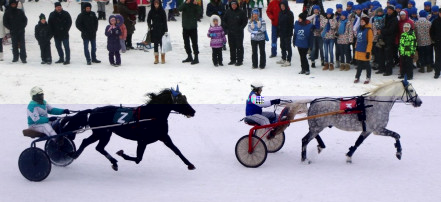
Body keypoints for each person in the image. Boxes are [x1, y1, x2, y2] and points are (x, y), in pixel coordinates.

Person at [223, 0, 247, 66]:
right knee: (232, 46)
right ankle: (232, 59)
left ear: (237, 5)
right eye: (232, 4)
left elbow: (245, 21)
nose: (233, 6)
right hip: (230, 32)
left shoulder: (241, 11)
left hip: (239, 32)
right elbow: (224, 20)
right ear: (230, 5)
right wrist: (227, 27)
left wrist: (241, 28)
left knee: (239, 46)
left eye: (235, 4)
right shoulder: (228, 11)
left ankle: (240, 60)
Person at [179, 0, 201, 64]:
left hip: (193, 27)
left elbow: (200, 12)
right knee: (186, 43)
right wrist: (185, 3)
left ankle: (196, 57)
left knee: (194, 43)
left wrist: (196, 4)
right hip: (185, 27)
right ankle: (189, 56)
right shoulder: (185, 3)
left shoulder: (195, 4)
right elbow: (179, 9)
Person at [147, 0, 168, 64]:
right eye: (155, 4)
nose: (156, 5)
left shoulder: (162, 11)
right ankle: (156, 58)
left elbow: (165, 21)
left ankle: (163, 57)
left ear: (159, 4)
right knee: (155, 44)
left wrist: (166, 30)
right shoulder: (151, 11)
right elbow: (148, 19)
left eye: (157, 4)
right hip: (154, 29)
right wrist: (150, 26)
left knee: (162, 44)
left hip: (161, 29)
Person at [354, 17, 373, 84]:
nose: (361, 22)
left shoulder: (369, 30)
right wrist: (356, 46)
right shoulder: (359, 28)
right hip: (359, 49)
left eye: (363, 21)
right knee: (359, 65)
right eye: (361, 21)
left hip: (365, 50)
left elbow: (370, 42)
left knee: (367, 64)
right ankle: (357, 77)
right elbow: (358, 38)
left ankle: (368, 77)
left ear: (366, 22)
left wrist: (368, 51)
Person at [381, 6, 398, 76]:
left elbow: (391, 30)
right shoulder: (386, 17)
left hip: (391, 39)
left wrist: (382, 31)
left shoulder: (394, 18)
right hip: (385, 38)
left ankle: (389, 70)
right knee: (384, 54)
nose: (389, 11)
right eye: (388, 10)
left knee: (389, 55)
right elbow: (384, 26)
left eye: (390, 10)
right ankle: (384, 68)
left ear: (393, 11)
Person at [276, 0, 293, 67]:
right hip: (281, 33)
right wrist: (278, 31)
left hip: (287, 33)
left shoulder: (290, 13)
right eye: (281, 6)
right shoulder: (280, 13)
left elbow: (291, 24)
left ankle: (288, 60)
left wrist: (290, 33)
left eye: (283, 6)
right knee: (282, 46)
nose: (282, 7)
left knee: (288, 47)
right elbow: (279, 23)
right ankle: (283, 58)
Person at [430, 9, 441, 79]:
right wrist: (434, 39)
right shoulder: (435, 21)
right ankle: (437, 72)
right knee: (438, 58)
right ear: (439, 13)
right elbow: (431, 31)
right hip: (438, 43)